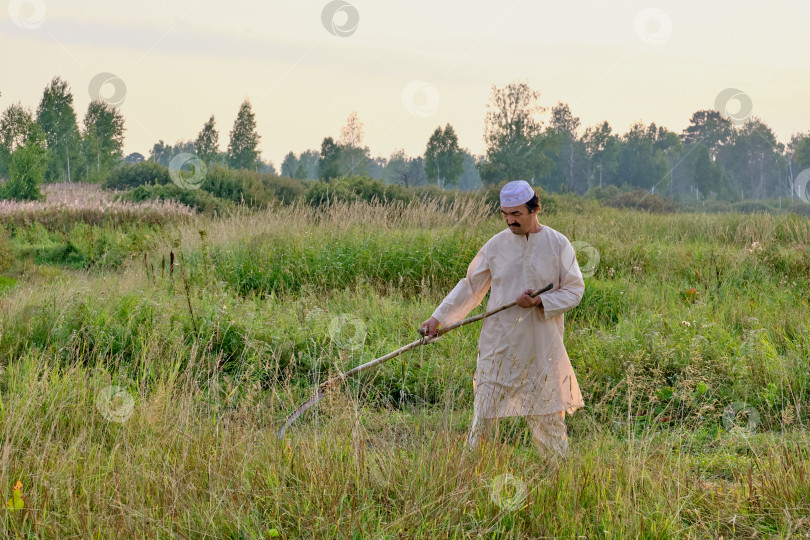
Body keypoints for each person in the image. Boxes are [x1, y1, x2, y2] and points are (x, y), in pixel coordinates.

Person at [420, 180, 585, 460]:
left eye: (516, 214)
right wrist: (439, 318)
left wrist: (540, 301)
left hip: (541, 344)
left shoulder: (558, 244)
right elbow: (471, 286)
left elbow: (574, 289)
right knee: (484, 414)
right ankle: (471, 471)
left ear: (535, 209)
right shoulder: (495, 246)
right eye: (505, 214)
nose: (510, 220)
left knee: (547, 414)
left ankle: (558, 477)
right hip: (500, 343)